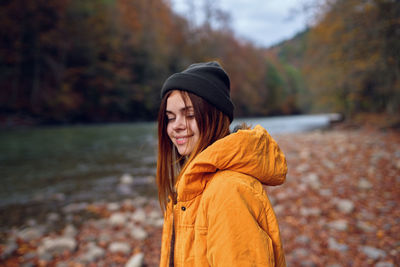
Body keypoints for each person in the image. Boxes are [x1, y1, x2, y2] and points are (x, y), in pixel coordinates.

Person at [156, 61, 287, 267]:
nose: (176, 126)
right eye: (170, 118)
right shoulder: (188, 186)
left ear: (215, 116)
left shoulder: (228, 191)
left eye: (189, 115)